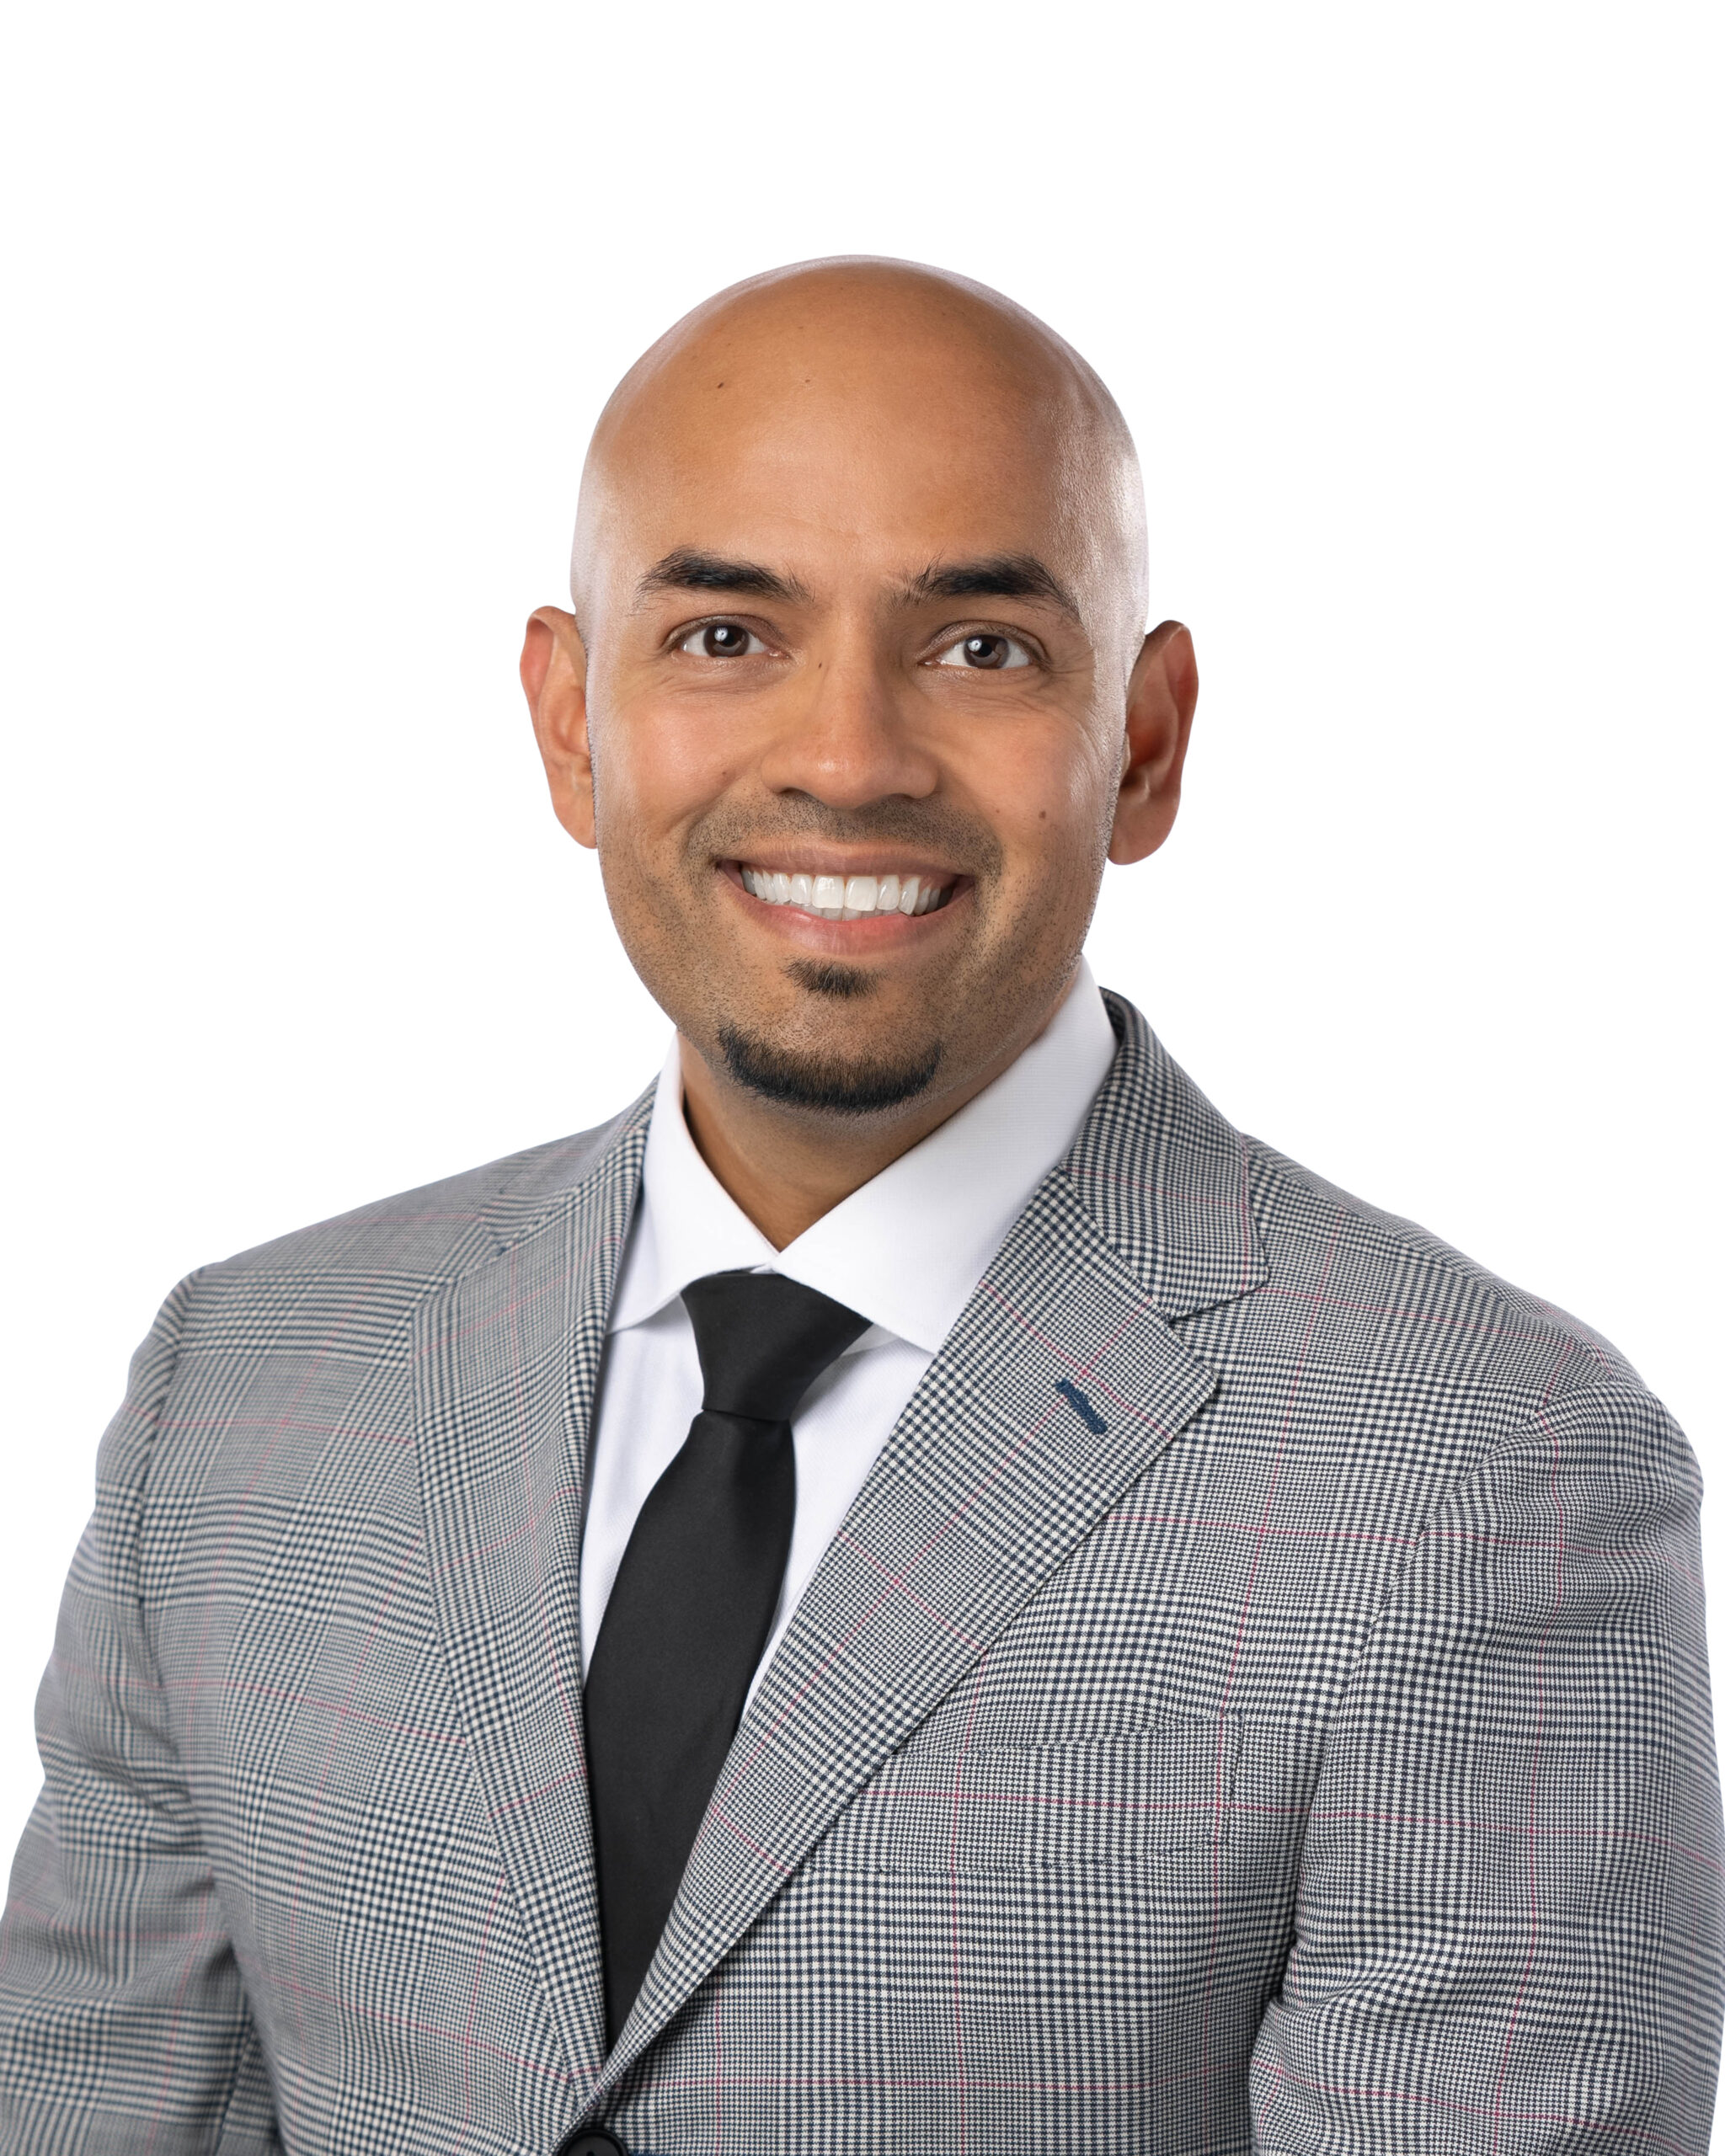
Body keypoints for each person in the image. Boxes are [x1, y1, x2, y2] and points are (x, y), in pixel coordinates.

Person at [0, 258, 1717, 2156]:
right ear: (571, 722)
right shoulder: (238, 1388)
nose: (844, 754)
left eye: (978, 647)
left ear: (1142, 742)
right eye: (726, 635)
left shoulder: (1484, 1471)